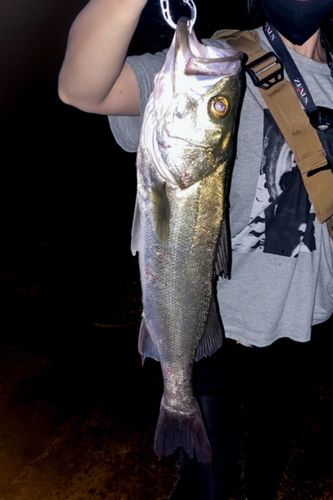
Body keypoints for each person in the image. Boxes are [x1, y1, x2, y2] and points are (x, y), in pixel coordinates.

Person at [58, 0, 333, 498]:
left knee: (267, 467)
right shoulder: (219, 64)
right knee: (207, 484)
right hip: (210, 323)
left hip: (303, 323)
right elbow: (81, 87)